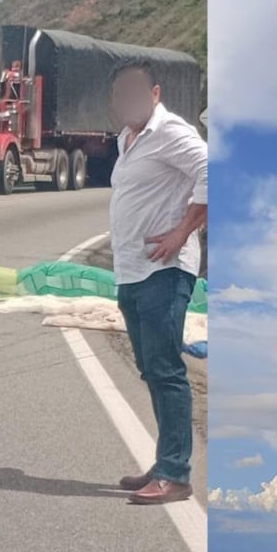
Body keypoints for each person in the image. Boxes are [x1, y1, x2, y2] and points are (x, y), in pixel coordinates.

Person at [108, 57, 207, 505]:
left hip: (164, 272)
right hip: (132, 271)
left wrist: (182, 232)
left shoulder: (170, 132)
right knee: (151, 369)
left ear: (154, 94)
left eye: (135, 90)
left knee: (166, 370)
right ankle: (165, 461)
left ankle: (175, 474)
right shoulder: (127, 139)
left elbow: (213, 171)